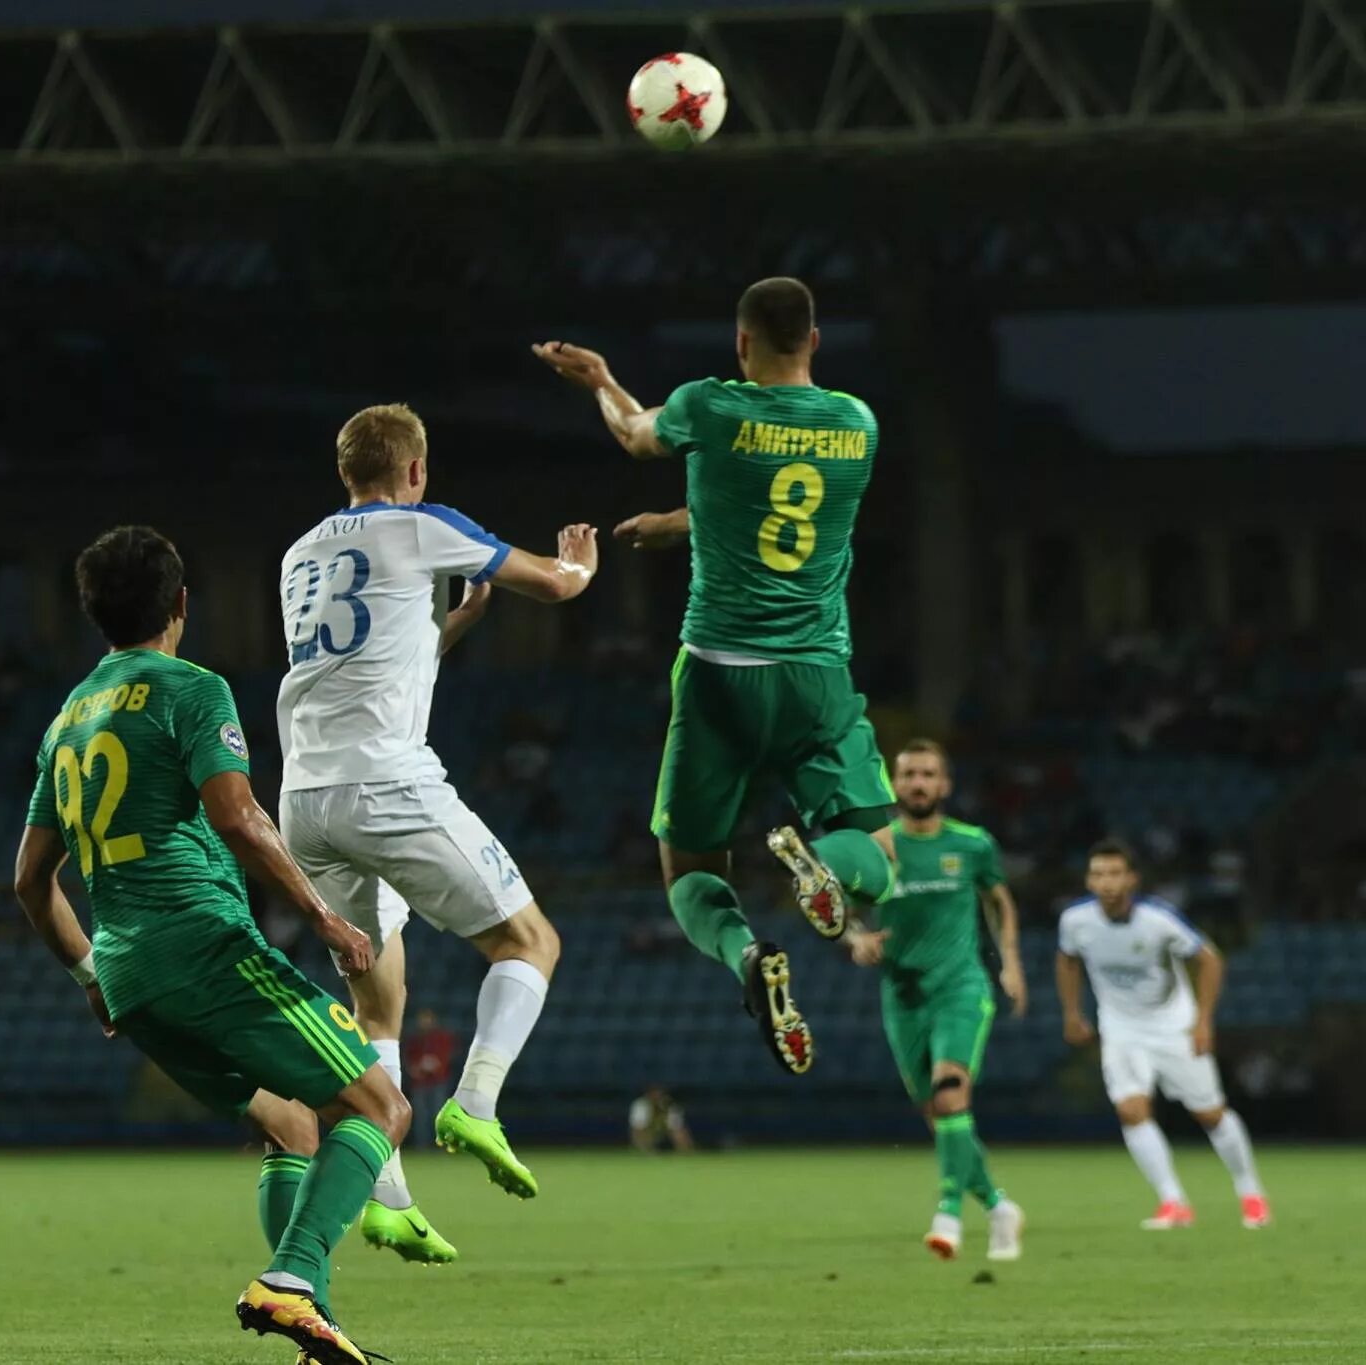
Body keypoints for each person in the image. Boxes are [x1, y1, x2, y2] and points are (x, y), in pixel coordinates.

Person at [14, 525, 408, 1365]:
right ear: (181, 605)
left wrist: (89, 973)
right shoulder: (191, 687)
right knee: (382, 1108)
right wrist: (325, 916)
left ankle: (311, 1329)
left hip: (129, 975)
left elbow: (29, 881)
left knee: (292, 1129)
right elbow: (237, 815)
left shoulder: (66, 721)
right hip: (202, 946)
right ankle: (294, 1278)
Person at [533, 277, 897, 1074]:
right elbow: (779, 502)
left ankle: (744, 956)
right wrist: (683, 522)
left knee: (691, 870)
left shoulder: (711, 406)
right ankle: (826, 867)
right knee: (880, 852)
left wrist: (600, 380)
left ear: (741, 343)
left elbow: (634, 432)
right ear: (816, 340)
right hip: (814, 673)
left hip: (717, 673)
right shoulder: (857, 425)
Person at [275, 402, 598, 1262]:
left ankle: (384, 1198)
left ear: (345, 470)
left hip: (305, 800)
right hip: (387, 785)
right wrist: (577, 567)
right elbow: (553, 585)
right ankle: (478, 1101)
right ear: (415, 471)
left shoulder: (299, 553)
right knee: (529, 941)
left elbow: (365, 663)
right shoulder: (423, 525)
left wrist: (450, 625)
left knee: (374, 1001)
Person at [842, 740, 1025, 1260]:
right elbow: (841, 913)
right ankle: (997, 1205)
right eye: (908, 775)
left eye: (928, 774)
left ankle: (948, 1214)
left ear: (945, 785)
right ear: (894, 785)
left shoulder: (972, 844)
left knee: (950, 1094)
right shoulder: (877, 849)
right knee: (940, 1116)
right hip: (903, 996)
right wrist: (856, 939)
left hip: (961, 987)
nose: (918, 784)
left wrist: (1010, 961)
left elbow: (999, 900)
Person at [1057, 840, 1270, 1230]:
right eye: (1099, 874)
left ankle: (1251, 1192)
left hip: (1173, 1026)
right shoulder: (1075, 921)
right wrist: (1072, 1013)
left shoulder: (1158, 919)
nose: (1106, 882)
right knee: (1131, 1110)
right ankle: (1173, 1202)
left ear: (1132, 879)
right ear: (1088, 879)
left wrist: (1203, 1021)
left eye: (1115, 873)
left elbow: (1209, 959)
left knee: (1209, 1113)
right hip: (1121, 1028)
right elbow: (1067, 958)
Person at [402, 1008, 456, 1149]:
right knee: (421, 1116)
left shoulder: (441, 1037)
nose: (424, 1023)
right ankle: (422, 1146)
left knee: (438, 1114)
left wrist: (436, 1065)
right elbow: (409, 1060)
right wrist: (417, 1068)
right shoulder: (415, 1039)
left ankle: (440, 1145)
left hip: (438, 1081)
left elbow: (446, 1057)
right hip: (420, 1083)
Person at [628, 1086, 693, 1154]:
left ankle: (685, 1153)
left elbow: (677, 1129)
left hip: (663, 1130)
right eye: (654, 1094)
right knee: (639, 1132)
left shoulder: (670, 1105)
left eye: (660, 1094)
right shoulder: (641, 1104)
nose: (657, 1096)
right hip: (649, 1130)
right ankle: (643, 1152)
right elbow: (638, 1128)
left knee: (679, 1132)